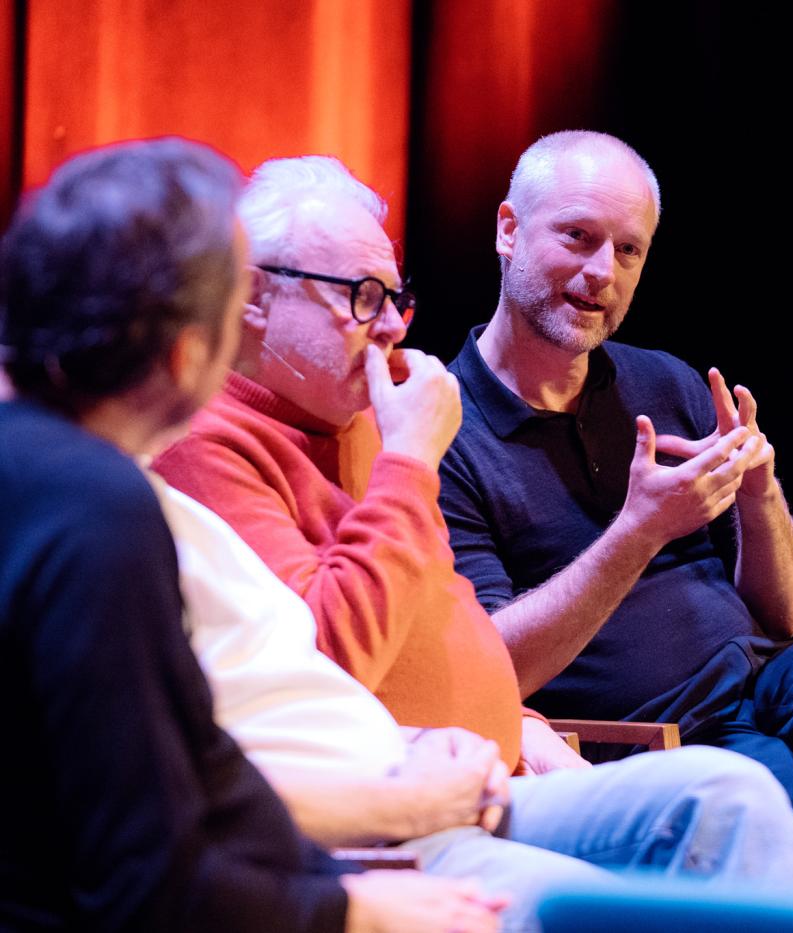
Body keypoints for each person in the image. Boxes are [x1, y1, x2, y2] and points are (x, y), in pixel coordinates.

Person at [152, 154, 793, 909]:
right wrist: (411, 460)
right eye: (362, 297)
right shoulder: (209, 447)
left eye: (396, 298)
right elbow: (328, 660)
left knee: (731, 794)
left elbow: (445, 629)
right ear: (252, 297)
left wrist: (519, 719)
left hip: (499, 774)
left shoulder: (360, 425)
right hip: (387, 810)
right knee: (593, 904)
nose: (392, 327)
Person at [0, 138, 498, 932]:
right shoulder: (98, 504)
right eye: (232, 304)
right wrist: (352, 905)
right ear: (190, 350)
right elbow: (143, 876)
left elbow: (194, 772)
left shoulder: (76, 479)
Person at [438, 130, 793, 875]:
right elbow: (489, 668)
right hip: (645, 730)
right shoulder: (446, 428)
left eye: (628, 250)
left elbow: (782, 615)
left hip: (759, 681)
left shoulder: (664, 382)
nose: (602, 271)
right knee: (783, 795)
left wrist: (759, 487)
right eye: (578, 236)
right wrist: (638, 531)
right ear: (508, 230)